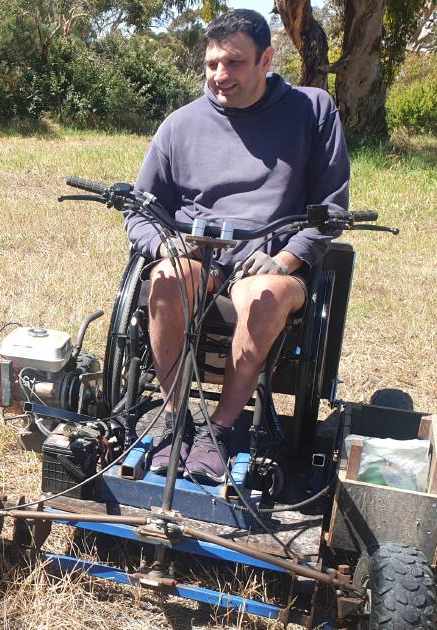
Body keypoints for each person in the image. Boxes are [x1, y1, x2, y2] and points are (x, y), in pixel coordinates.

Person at [127, 9, 350, 483]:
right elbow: (141, 210)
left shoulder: (312, 111)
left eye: (234, 63)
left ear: (266, 59)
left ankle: (220, 428)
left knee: (261, 296)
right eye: (211, 64)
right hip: (197, 254)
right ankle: (174, 418)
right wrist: (166, 248)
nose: (219, 76)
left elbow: (331, 209)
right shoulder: (180, 125)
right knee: (166, 281)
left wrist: (286, 257)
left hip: (273, 262)